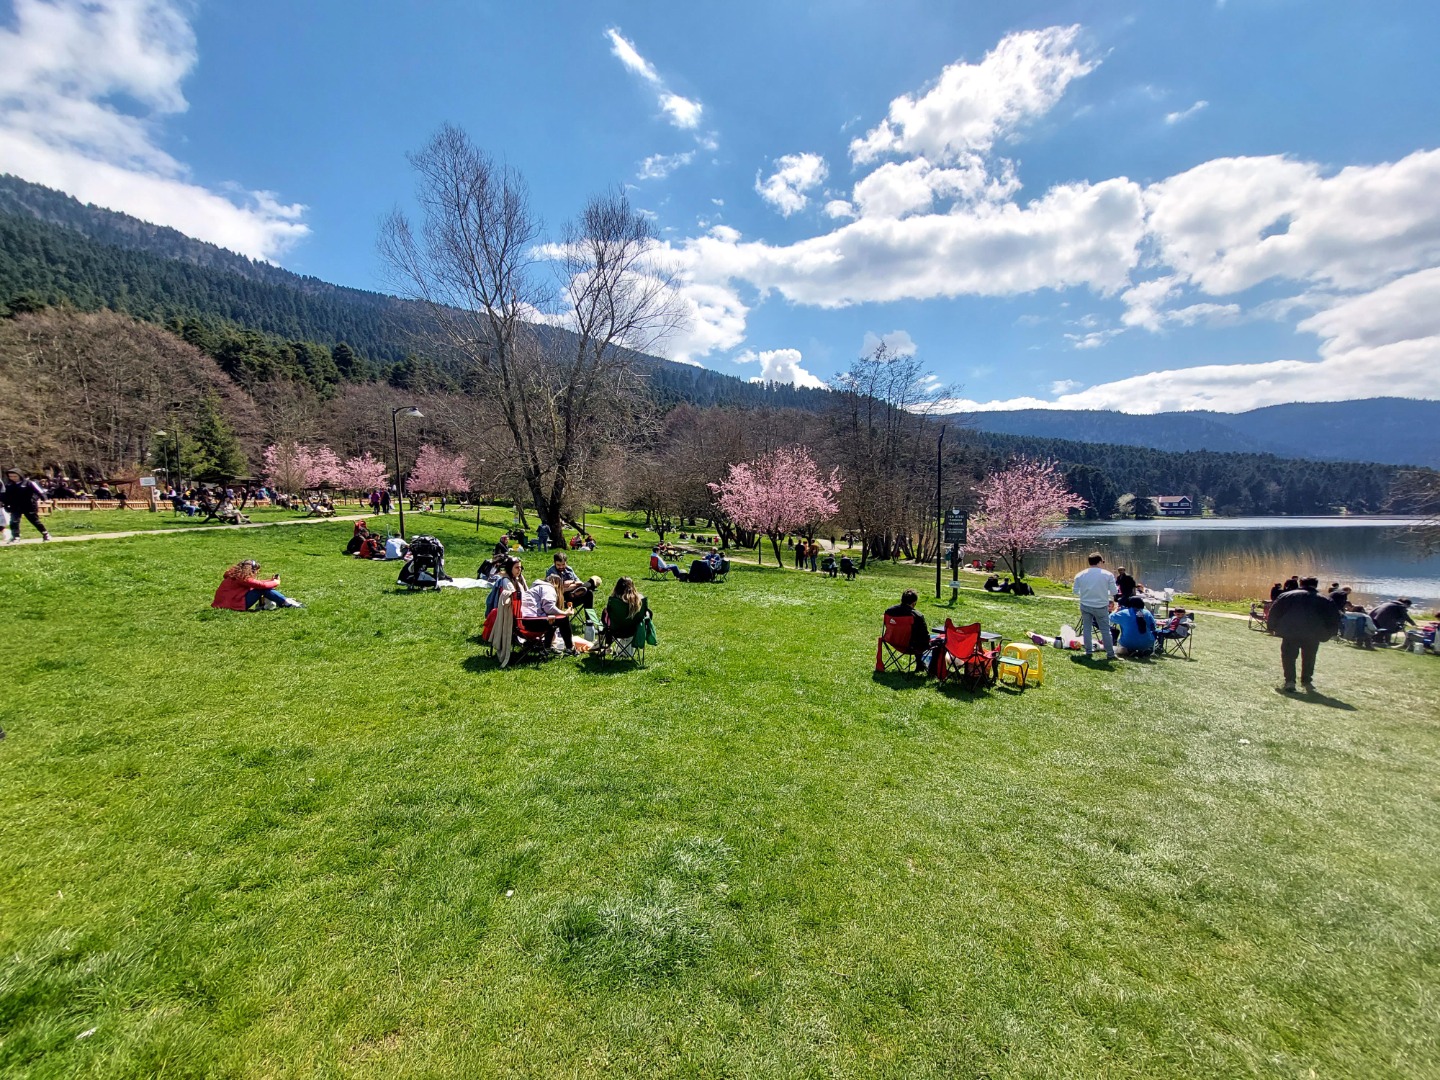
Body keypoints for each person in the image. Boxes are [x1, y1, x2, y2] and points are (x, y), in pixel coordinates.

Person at [1268, 576, 1342, 692]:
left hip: (1291, 631)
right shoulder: (1325, 600)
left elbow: (1275, 611)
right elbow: (1333, 618)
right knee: (1309, 657)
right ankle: (1307, 681)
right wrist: (1331, 632)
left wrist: (1271, 627)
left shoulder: (1287, 596)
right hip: (1313, 634)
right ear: (1316, 585)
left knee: (1289, 657)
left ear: (1301, 584)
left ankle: (1290, 681)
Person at [1072, 552, 1117, 660]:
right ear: (1099, 562)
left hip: (1085, 604)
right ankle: (1110, 653)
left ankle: (1088, 651)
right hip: (1101, 605)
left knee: (1086, 629)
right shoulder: (1108, 575)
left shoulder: (1080, 574)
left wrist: (1084, 594)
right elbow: (1114, 591)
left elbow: (1075, 591)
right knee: (1105, 630)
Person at [211, 560, 302, 610]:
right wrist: (276, 582)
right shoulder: (242, 578)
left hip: (224, 604)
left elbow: (256, 583)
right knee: (261, 590)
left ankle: (263, 605)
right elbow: (261, 586)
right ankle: (287, 602)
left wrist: (270, 581)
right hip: (234, 605)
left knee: (259, 589)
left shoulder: (235, 576)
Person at [522, 573, 576, 653]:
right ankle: (570, 648)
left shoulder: (536, 588)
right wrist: (565, 613)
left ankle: (547, 647)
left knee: (551, 618)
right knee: (563, 619)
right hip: (532, 622)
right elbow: (549, 608)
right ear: (556, 583)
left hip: (524, 621)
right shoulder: (548, 588)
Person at [883, 588, 930, 664]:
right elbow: (925, 636)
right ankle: (922, 666)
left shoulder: (889, 611)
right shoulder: (917, 616)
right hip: (911, 646)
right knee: (937, 643)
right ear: (914, 603)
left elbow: (887, 625)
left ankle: (920, 665)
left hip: (893, 641)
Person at [3, 469, 51, 542]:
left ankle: (45, 533)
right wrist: (6, 504)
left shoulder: (29, 483)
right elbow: (6, 496)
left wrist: (45, 499)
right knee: (14, 521)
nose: (13, 478)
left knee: (34, 521)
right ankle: (16, 537)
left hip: (29, 505)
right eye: (10, 476)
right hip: (15, 506)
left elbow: (40, 491)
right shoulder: (9, 485)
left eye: (15, 476)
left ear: (20, 475)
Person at [602, 576, 651, 646]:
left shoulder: (614, 600)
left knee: (604, 616)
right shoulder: (640, 599)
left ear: (617, 587)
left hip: (616, 630)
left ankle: (605, 645)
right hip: (634, 630)